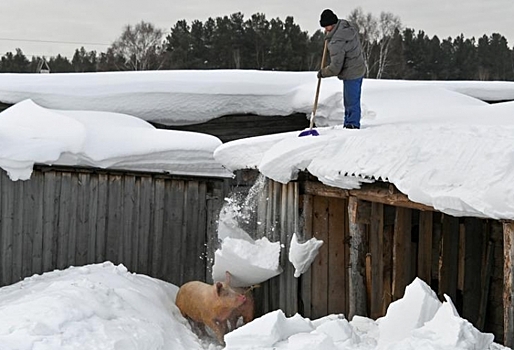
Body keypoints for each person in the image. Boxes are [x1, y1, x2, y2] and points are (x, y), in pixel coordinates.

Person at [317, 9, 366, 129]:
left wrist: (322, 73)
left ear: (331, 25)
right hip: (359, 68)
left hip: (352, 72)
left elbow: (335, 68)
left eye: (326, 26)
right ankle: (349, 123)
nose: (325, 29)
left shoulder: (336, 42)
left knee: (351, 101)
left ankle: (352, 125)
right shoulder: (345, 26)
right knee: (352, 100)